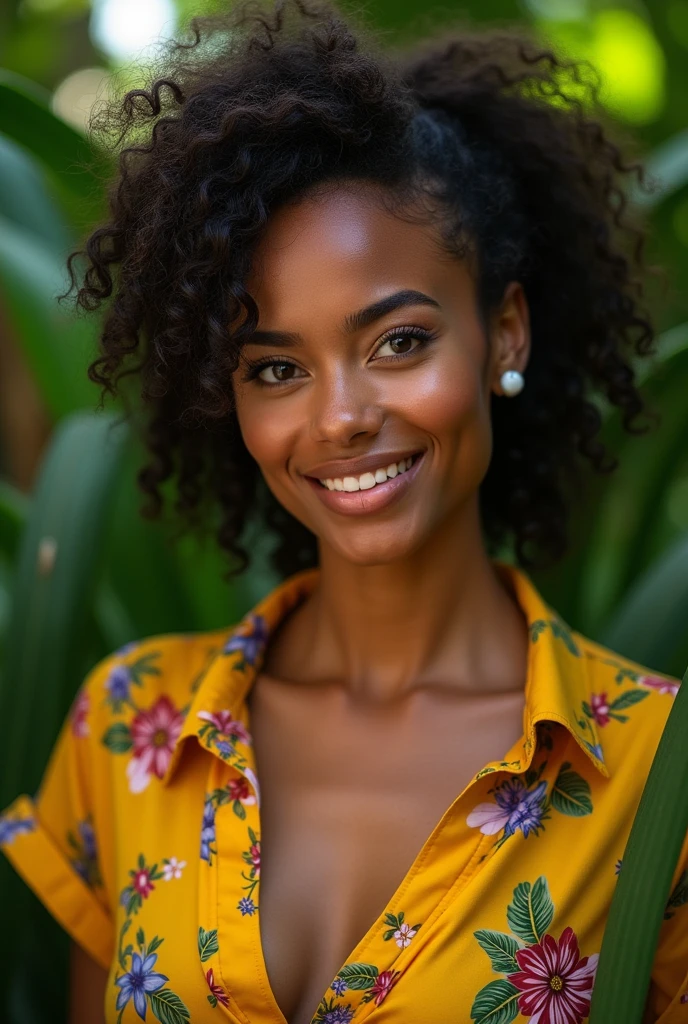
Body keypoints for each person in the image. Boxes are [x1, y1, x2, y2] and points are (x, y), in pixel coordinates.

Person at [1, 1, 686, 1021]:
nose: (340, 417)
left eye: (397, 342)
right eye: (275, 366)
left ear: (502, 333)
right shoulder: (127, 729)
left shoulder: (658, 766)